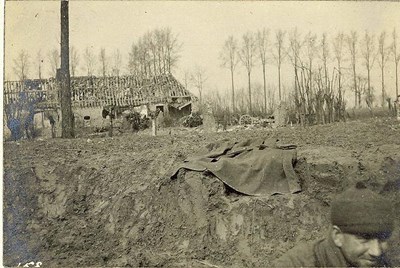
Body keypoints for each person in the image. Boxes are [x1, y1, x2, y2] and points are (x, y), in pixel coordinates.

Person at [273, 183, 395, 267]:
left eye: (382, 238)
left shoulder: (378, 262)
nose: (376, 251)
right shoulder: (295, 264)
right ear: (337, 236)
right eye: (364, 238)